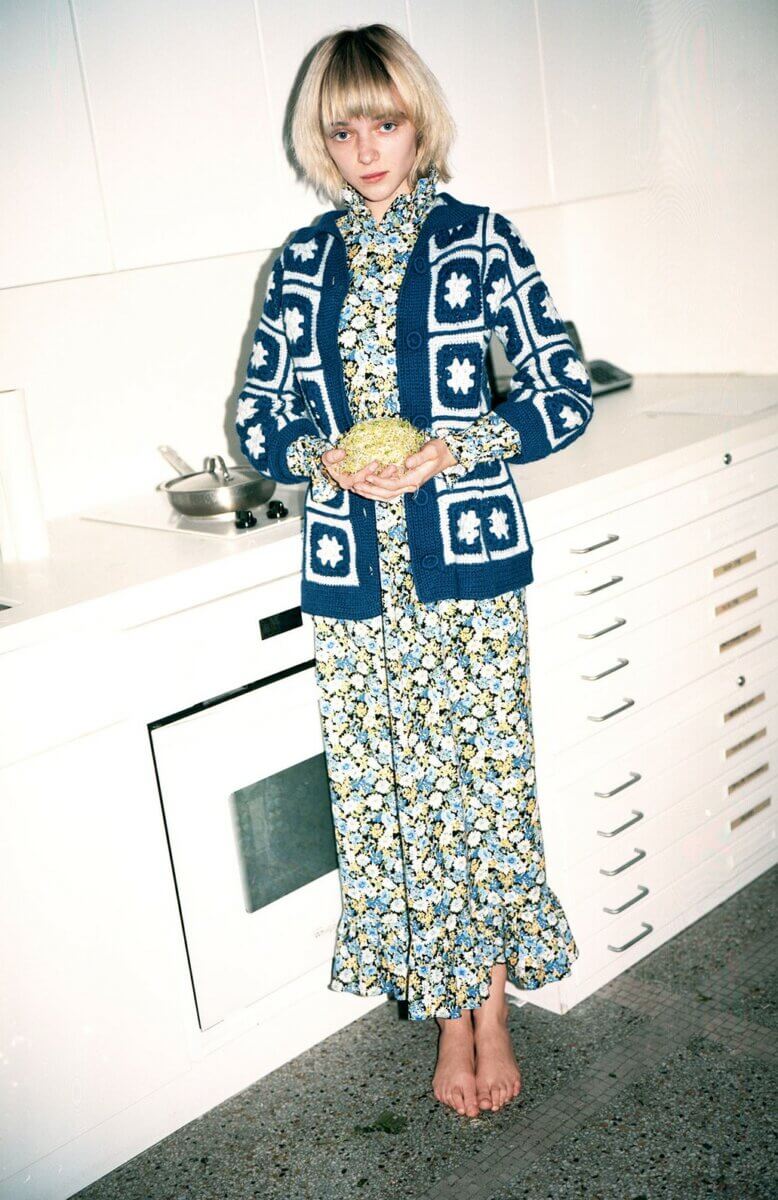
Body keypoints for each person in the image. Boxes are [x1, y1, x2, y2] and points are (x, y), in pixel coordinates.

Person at [235, 23, 594, 1119]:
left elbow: (561, 391)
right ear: (322, 140)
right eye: (342, 129)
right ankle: (453, 1019)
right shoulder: (299, 265)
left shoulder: (480, 241)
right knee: (397, 803)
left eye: (383, 122)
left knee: (481, 791)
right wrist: (321, 460)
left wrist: (458, 446)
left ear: (418, 122)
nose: (365, 149)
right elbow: (257, 421)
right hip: (357, 584)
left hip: (468, 572)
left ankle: (492, 1003)